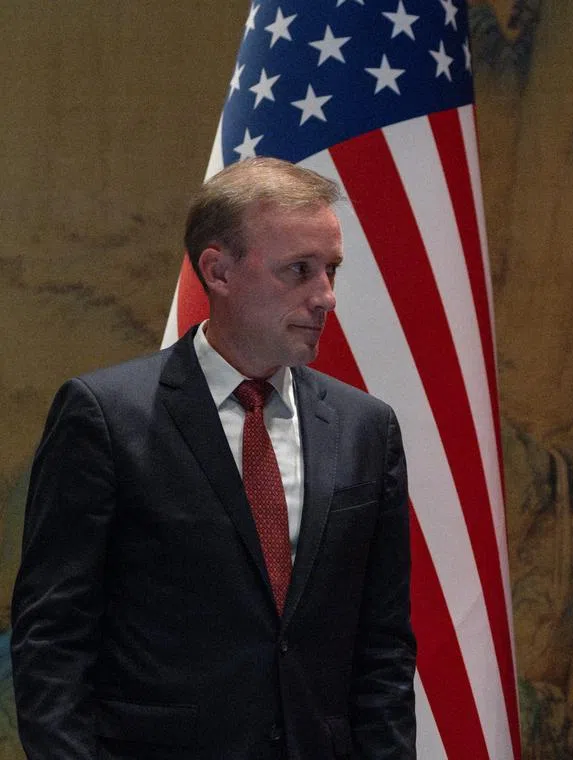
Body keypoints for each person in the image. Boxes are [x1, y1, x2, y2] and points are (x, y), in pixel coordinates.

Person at [11, 157, 416, 760]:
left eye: (330, 270)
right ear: (218, 271)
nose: (325, 297)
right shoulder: (105, 415)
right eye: (299, 271)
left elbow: (382, 649)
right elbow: (52, 641)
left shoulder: (366, 427)